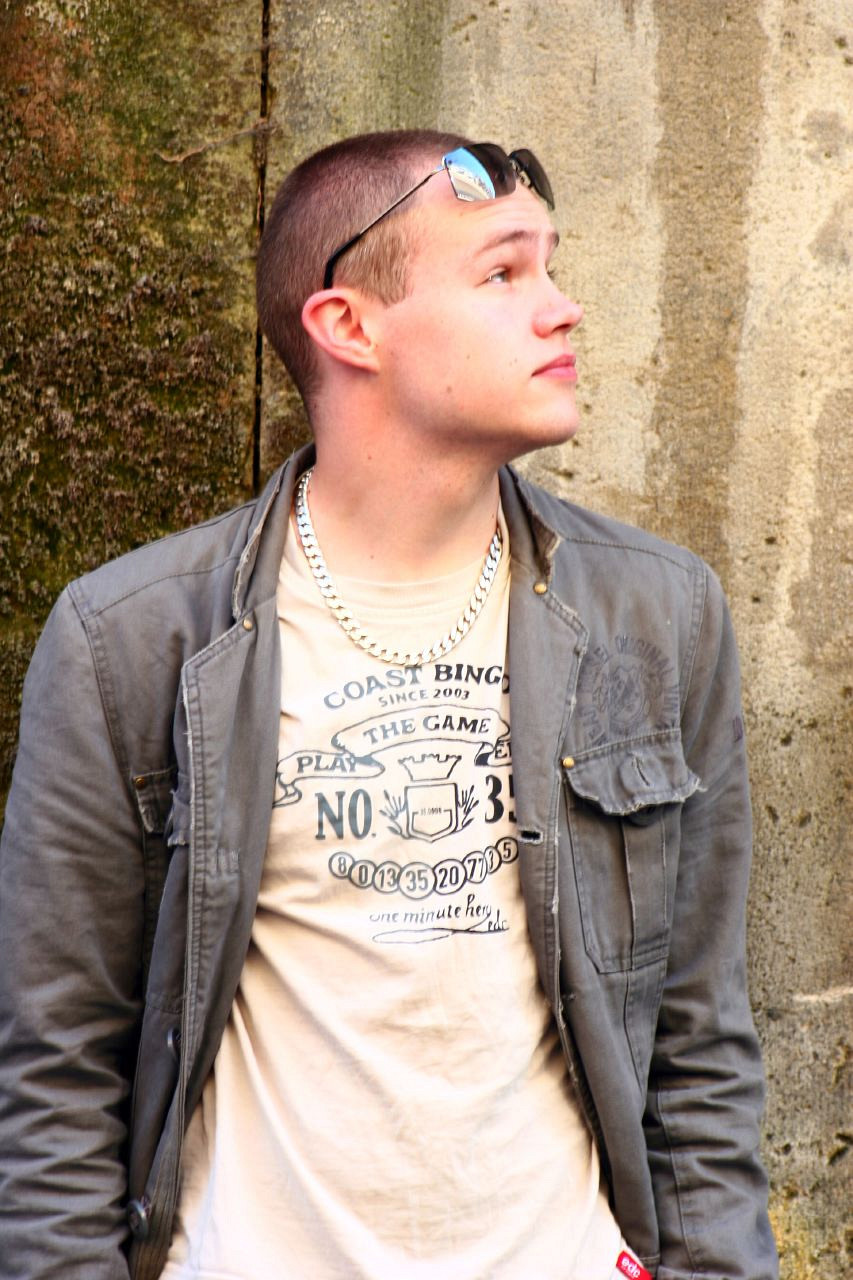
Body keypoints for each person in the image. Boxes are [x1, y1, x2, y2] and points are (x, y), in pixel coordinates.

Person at [0, 129, 777, 1280]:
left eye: (550, 266)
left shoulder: (657, 614)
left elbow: (698, 1043)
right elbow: (56, 1067)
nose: (560, 308)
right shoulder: (132, 639)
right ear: (348, 326)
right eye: (502, 271)